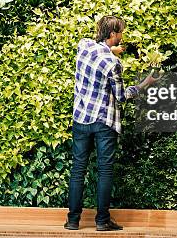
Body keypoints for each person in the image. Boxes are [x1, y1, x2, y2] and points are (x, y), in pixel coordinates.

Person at [64, 15, 159, 231]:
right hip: (103, 122)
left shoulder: (84, 46)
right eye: (120, 33)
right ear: (113, 35)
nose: (122, 36)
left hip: (81, 118)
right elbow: (122, 96)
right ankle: (102, 221)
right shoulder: (113, 64)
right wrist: (145, 83)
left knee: (78, 169)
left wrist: (111, 51)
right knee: (104, 171)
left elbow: (98, 53)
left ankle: (72, 221)